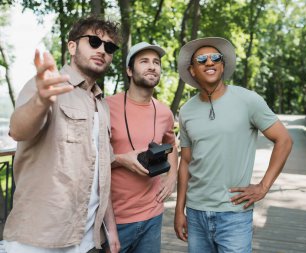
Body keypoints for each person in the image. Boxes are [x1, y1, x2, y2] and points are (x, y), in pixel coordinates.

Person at [4, 16, 121, 253]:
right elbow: (18, 129)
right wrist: (40, 100)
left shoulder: (102, 104)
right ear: (72, 46)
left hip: (87, 240)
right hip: (38, 239)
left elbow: (102, 174)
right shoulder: (47, 87)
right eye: (94, 42)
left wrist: (111, 230)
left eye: (109, 47)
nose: (102, 50)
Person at [174, 37, 293, 253]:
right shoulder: (186, 111)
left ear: (222, 65)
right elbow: (186, 162)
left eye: (215, 58)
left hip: (234, 213)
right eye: (201, 59)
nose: (209, 62)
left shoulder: (248, 100)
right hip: (196, 212)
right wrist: (179, 210)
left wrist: (263, 187)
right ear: (192, 70)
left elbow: (284, 140)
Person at [106, 42, 178, 253]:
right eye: (144, 61)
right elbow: (88, 156)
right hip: (113, 219)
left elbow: (172, 146)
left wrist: (172, 176)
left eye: (156, 62)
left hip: (153, 216)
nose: (152, 66)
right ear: (129, 70)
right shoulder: (105, 107)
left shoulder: (165, 113)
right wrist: (120, 159)